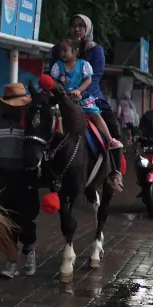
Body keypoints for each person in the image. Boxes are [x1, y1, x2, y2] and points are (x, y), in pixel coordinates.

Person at [49, 14, 124, 189]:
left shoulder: (95, 50)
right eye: (74, 25)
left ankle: (116, 171)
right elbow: (51, 75)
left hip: (88, 94)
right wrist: (59, 92)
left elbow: (95, 77)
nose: (77, 29)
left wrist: (79, 94)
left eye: (81, 26)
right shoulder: (58, 48)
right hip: (61, 94)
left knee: (110, 121)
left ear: (88, 29)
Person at [0, 83, 38, 279]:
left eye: (18, 104)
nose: (15, 107)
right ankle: (11, 261)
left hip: (25, 176)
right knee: (5, 221)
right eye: (11, 104)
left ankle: (29, 251)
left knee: (25, 220)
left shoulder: (32, 124)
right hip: (3, 176)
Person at [51, 36, 123, 150]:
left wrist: (78, 90)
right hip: (63, 97)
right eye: (60, 50)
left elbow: (88, 79)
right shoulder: (57, 66)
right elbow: (54, 81)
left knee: (95, 114)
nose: (62, 53)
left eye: (65, 50)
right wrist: (61, 90)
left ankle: (110, 140)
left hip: (81, 98)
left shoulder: (83, 65)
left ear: (75, 52)